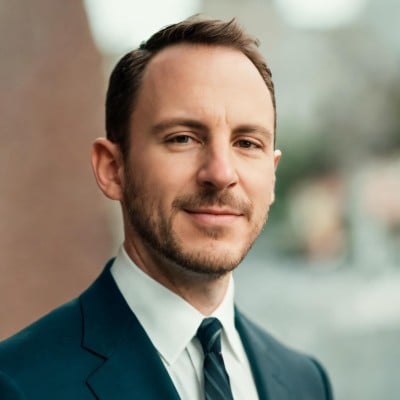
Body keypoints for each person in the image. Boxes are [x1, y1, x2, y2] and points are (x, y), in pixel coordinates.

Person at [0, 15, 333, 400]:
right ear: (113, 169)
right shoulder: (17, 383)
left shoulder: (306, 382)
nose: (221, 174)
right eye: (183, 138)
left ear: (272, 176)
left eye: (246, 143)